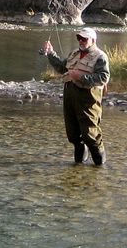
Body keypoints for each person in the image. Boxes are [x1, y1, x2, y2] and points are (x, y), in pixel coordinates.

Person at [41, 26, 111, 165]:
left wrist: (81, 77)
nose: (81, 41)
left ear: (93, 40)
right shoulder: (74, 53)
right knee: (73, 135)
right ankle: (78, 166)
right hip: (70, 97)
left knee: (90, 135)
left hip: (88, 99)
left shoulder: (100, 56)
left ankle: (100, 166)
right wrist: (50, 53)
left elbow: (103, 78)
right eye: (79, 38)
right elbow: (62, 68)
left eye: (84, 39)